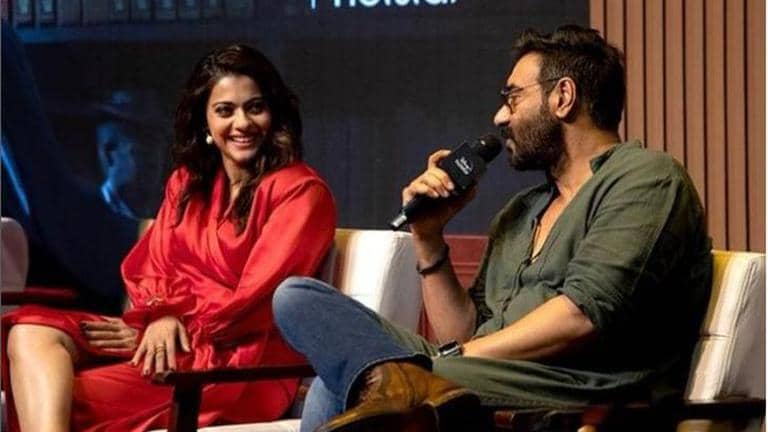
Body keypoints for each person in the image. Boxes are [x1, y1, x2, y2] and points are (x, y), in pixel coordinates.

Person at [272, 25, 712, 432]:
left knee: (348, 382)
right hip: (474, 372)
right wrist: (428, 237)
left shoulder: (646, 177)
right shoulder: (521, 210)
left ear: (563, 96)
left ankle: (409, 381)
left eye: (513, 98)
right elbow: (463, 333)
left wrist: (448, 362)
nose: (500, 117)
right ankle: (407, 380)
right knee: (297, 298)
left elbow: (581, 316)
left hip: (574, 387)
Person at [2, 44, 337, 431]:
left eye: (255, 107)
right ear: (205, 122)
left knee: (50, 396)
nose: (242, 123)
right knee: (31, 331)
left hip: (238, 362)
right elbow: (153, 264)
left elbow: (258, 301)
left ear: (274, 113)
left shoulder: (302, 193)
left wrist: (177, 327)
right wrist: (159, 315)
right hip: (170, 337)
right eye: (225, 110)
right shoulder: (187, 184)